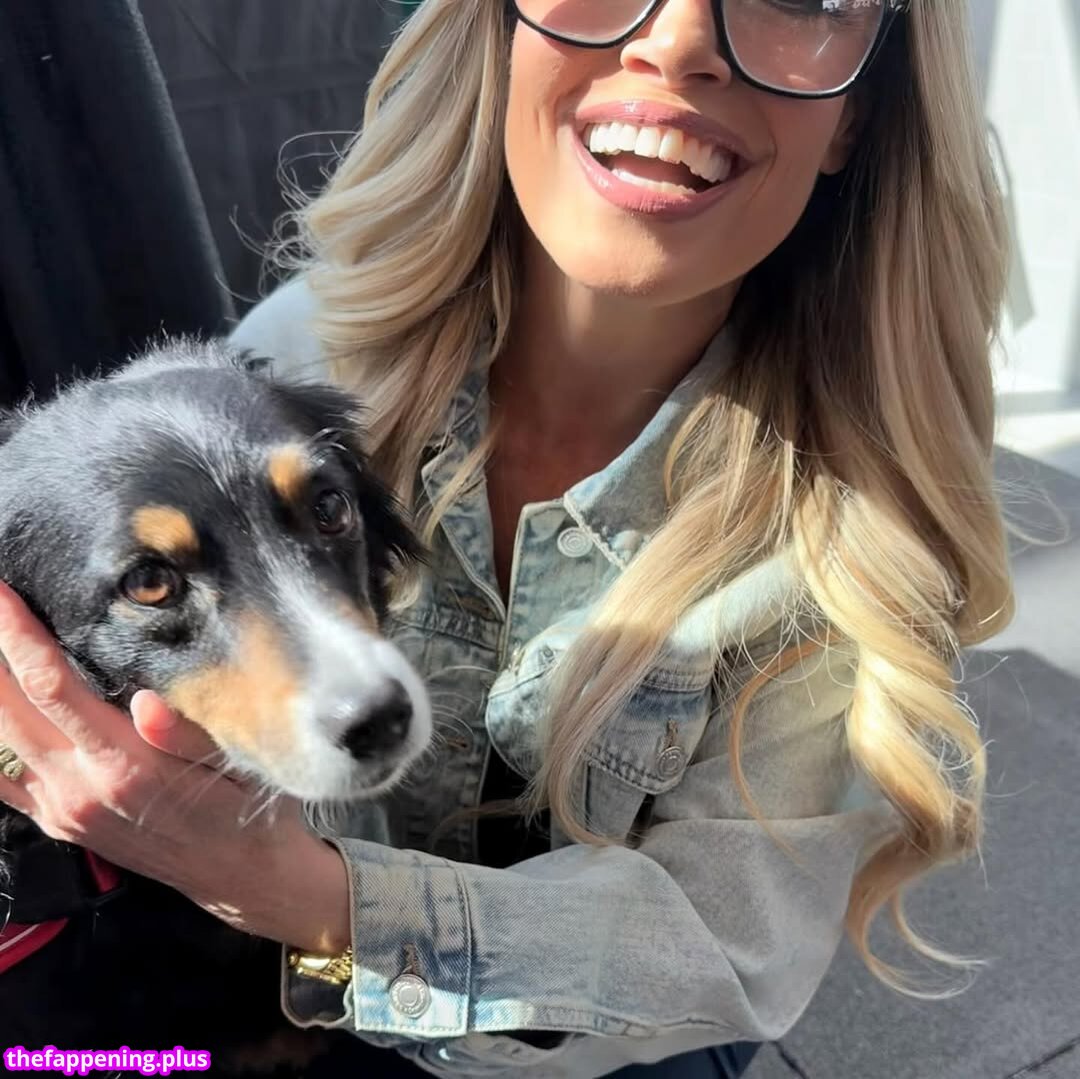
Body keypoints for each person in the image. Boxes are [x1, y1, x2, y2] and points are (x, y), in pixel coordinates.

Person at [0, 1, 1014, 1075]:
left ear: (859, 113)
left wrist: (298, 898)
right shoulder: (303, 356)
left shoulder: (849, 543)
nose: (676, 43)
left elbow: (721, 951)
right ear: (498, 30)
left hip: (608, 1051)